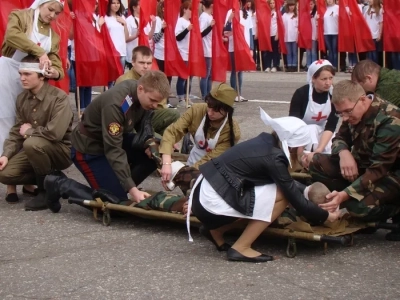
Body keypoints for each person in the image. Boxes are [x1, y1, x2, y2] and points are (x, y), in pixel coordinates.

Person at [186, 108, 340, 262]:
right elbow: (294, 198)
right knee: (281, 197)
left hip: (203, 195)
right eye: (303, 147)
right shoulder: (275, 158)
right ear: (293, 146)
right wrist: (326, 216)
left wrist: (306, 190)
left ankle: (216, 231)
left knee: (265, 197)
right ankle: (241, 247)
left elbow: (284, 182)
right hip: (210, 204)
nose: (304, 151)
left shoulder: (266, 141)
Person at [44, 71, 170, 214]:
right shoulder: (116, 104)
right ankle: (60, 184)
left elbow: (144, 126)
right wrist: (133, 190)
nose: (154, 105)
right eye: (152, 100)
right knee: (116, 207)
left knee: (150, 155)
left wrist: (151, 145)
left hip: (113, 140)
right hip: (90, 149)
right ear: (140, 88)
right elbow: (114, 150)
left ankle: (117, 187)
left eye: (157, 102)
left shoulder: (140, 95)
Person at [309, 80, 400, 241]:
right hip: (363, 169)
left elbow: (379, 169)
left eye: (347, 112)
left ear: (363, 100)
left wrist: (346, 195)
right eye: (340, 113)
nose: (344, 117)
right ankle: (352, 196)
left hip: (389, 174)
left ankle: (393, 210)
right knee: (316, 162)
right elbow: (339, 139)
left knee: (357, 208)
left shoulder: (389, 119)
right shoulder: (350, 113)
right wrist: (344, 153)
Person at [0, 0, 65, 204]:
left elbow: (56, 64)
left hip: (35, 79)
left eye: (57, 13)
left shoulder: (54, 35)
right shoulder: (20, 16)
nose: (53, 15)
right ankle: (10, 182)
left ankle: (26, 178)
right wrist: (40, 52)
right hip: (9, 73)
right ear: (40, 4)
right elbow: (12, 36)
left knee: (30, 122)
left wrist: (55, 71)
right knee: (8, 121)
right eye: (50, 9)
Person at [0, 56, 73, 210]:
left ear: (41, 76)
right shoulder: (22, 98)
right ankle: (55, 180)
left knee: (31, 142)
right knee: (5, 174)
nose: (22, 78)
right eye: (20, 74)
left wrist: (29, 131)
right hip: (35, 149)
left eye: (27, 74)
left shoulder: (59, 98)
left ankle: (45, 192)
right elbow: (16, 132)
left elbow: (55, 134)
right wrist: (6, 155)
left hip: (60, 151)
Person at [159, 83, 241, 194]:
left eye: (215, 110)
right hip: (193, 160)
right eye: (209, 106)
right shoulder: (196, 110)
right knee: (153, 145)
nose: (210, 112)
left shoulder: (232, 132)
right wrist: (166, 163)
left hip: (212, 170)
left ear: (227, 111)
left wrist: (180, 175)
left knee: (199, 196)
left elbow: (210, 160)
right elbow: (172, 132)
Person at [115, 46, 180, 137]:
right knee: (158, 140)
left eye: (149, 63)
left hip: (149, 115)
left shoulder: (155, 78)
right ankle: (153, 141)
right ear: (133, 62)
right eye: (141, 63)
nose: (145, 66)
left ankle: (162, 140)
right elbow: (122, 112)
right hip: (130, 120)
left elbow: (161, 105)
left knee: (174, 114)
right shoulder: (124, 81)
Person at [289, 60, 338, 169]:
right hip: (302, 135)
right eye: (323, 79)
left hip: (325, 133)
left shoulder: (334, 95)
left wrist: (319, 150)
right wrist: (298, 150)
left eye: (330, 78)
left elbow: (331, 126)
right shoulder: (301, 94)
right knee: (311, 129)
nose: (328, 83)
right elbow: (294, 123)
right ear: (313, 78)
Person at [175, 0, 194, 108]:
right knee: (182, 76)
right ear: (185, 10)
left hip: (190, 54)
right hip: (182, 53)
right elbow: (178, 37)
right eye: (190, 9)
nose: (191, 11)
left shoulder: (190, 22)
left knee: (189, 77)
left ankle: (187, 96)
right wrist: (187, 29)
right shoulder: (181, 21)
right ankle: (181, 97)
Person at [199, 0, 215, 100]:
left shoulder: (210, 16)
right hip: (206, 49)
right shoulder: (204, 17)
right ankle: (204, 95)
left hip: (211, 48)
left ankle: (208, 94)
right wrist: (210, 27)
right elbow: (201, 33)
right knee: (206, 74)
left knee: (210, 75)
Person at [282, 0, 298, 72]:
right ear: (288, 6)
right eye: (290, 6)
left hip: (294, 36)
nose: (291, 7)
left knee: (294, 52)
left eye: (293, 5)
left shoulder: (297, 15)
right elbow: (281, 25)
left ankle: (294, 65)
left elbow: (299, 26)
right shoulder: (285, 15)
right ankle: (289, 65)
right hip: (287, 36)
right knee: (288, 52)